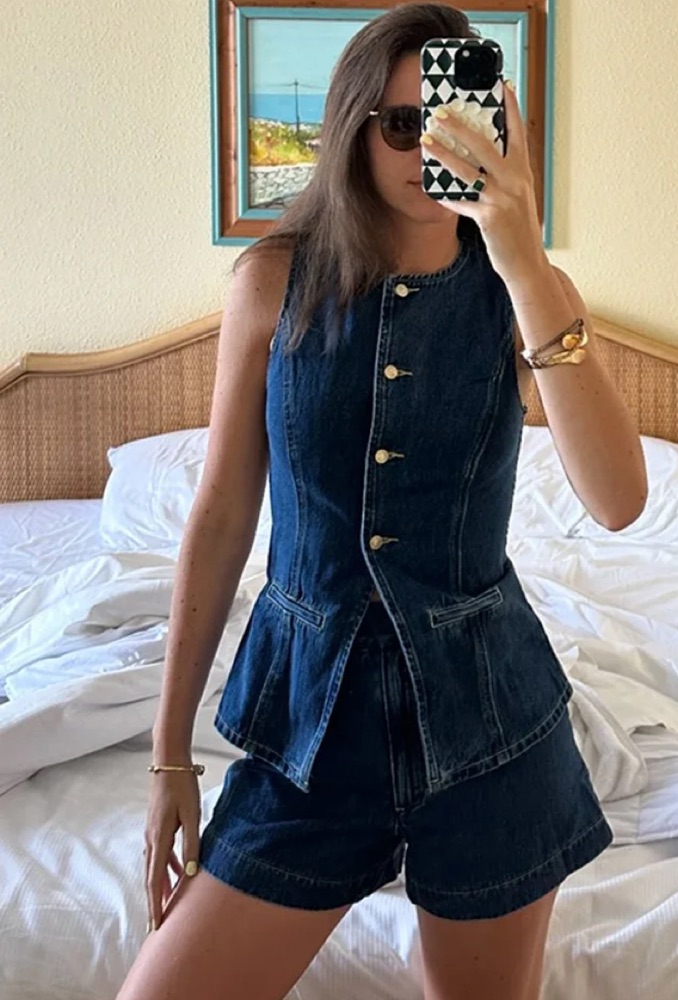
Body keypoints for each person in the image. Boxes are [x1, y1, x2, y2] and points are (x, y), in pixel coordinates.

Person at [115, 4, 646, 998]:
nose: (427, 149)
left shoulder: (526, 291)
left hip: (490, 729)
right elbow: (222, 514)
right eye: (402, 125)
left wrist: (522, 254)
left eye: (456, 125)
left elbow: (617, 502)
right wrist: (168, 755)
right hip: (308, 728)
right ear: (353, 130)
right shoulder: (274, 283)